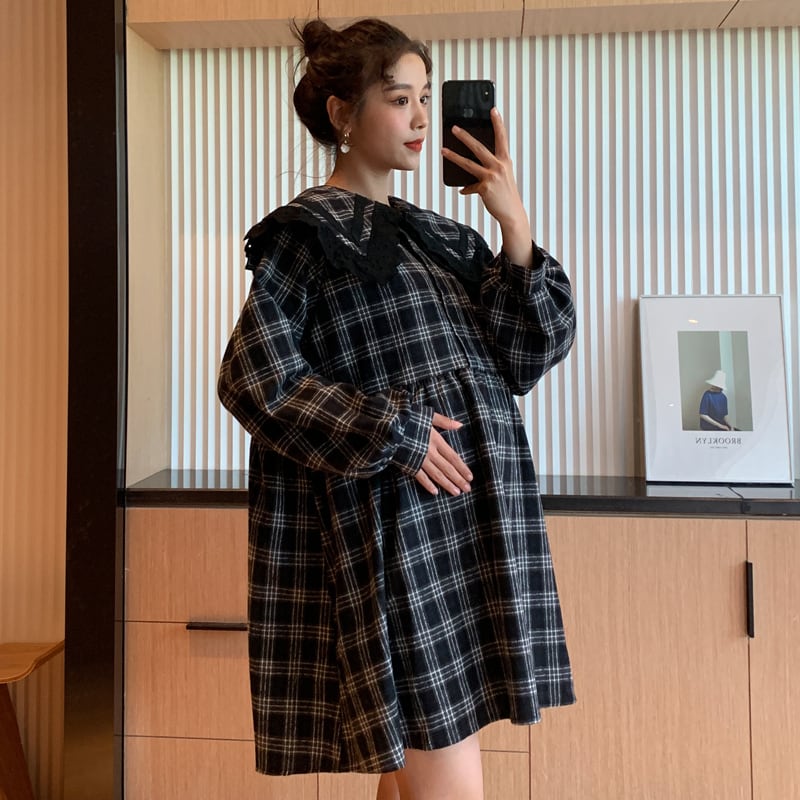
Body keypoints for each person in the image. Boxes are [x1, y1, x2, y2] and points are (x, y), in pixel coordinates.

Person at [217, 17, 576, 800]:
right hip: (399, 535)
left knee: (422, 769)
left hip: (472, 527)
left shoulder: (443, 236)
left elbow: (527, 354)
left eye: (424, 98)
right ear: (342, 114)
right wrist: (395, 433)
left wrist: (513, 224)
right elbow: (253, 379)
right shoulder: (306, 237)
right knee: (446, 775)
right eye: (398, 98)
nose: (420, 118)